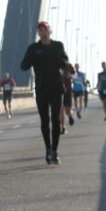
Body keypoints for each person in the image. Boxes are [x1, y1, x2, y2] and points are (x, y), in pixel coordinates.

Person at [20, 22, 68, 164]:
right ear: (38, 33)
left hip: (56, 88)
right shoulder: (33, 48)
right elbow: (23, 66)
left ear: (50, 31)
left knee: (56, 119)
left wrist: (61, 62)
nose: (43, 32)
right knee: (45, 121)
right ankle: (47, 149)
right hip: (41, 89)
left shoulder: (58, 45)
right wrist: (32, 59)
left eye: (45, 29)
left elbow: (65, 61)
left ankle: (55, 151)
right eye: (40, 30)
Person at [60, 62, 76, 134]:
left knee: (67, 110)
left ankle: (70, 116)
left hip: (67, 90)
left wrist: (70, 76)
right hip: (57, 91)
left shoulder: (68, 65)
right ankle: (63, 127)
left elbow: (75, 75)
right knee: (60, 110)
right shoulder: (52, 64)